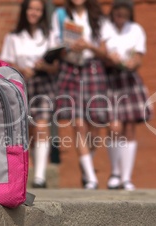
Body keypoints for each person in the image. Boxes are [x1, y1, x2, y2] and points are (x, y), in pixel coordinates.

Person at [0, 0, 58, 188]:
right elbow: (5, 63)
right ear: (25, 11)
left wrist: (44, 66)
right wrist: (21, 69)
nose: (35, 13)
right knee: (29, 130)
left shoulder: (48, 36)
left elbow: (55, 66)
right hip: (21, 84)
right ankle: (30, 169)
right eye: (32, 9)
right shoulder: (13, 37)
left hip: (43, 83)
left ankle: (40, 177)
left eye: (38, 10)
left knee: (42, 125)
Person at [51, 0, 110, 189]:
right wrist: (69, 48)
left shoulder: (99, 18)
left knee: (96, 124)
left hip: (93, 69)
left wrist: (89, 47)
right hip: (70, 68)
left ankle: (86, 166)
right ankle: (91, 178)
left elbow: (105, 51)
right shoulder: (60, 15)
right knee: (78, 123)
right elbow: (54, 47)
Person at [103, 1, 153, 191]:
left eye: (124, 15)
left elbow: (139, 57)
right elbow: (101, 52)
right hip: (111, 79)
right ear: (113, 14)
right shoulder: (106, 28)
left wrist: (133, 62)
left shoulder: (136, 30)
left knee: (130, 126)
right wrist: (109, 59)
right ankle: (115, 173)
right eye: (117, 14)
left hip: (129, 79)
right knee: (114, 126)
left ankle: (126, 178)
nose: (120, 19)